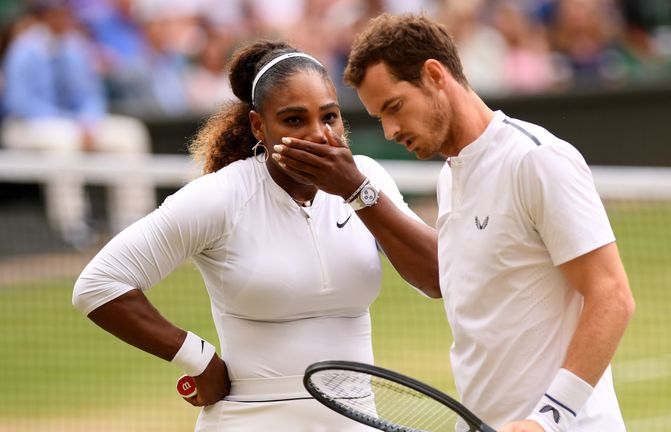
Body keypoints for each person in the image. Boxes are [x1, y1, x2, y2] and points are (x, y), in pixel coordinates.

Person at [72, 38, 439, 431]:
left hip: (356, 419)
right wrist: (199, 360)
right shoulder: (221, 196)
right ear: (258, 126)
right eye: (295, 120)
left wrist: (357, 191)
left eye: (329, 117)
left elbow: (437, 278)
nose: (318, 134)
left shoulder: (369, 179)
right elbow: (98, 285)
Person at [338, 12, 635, 432]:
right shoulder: (449, 179)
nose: (388, 130)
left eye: (394, 107)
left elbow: (612, 296)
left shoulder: (536, 159)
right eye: (379, 116)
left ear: (434, 75)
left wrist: (546, 419)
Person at [0, 0, 154, 248]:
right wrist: (73, 126)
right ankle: (72, 225)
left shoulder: (76, 47)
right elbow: (20, 102)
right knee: (63, 140)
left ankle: (131, 222)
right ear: (44, 16)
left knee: (129, 133)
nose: (64, 18)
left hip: (73, 127)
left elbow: (90, 95)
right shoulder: (22, 49)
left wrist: (88, 122)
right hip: (23, 127)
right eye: (57, 13)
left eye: (65, 13)